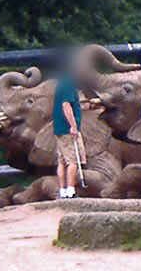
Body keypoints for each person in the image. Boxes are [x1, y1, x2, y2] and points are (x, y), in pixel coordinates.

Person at [53, 71, 86, 199]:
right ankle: (71, 190)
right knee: (72, 161)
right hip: (68, 129)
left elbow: (71, 105)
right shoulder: (68, 84)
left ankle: (63, 190)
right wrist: (73, 126)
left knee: (62, 161)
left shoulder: (60, 84)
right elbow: (66, 105)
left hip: (59, 128)